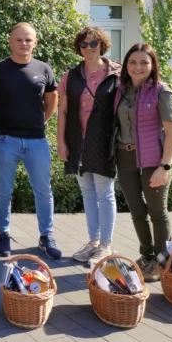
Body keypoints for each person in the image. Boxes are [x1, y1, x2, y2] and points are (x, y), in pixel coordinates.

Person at [0, 22, 61, 260]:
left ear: (35, 42)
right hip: (4, 139)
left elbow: (52, 102)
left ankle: (46, 236)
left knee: (43, 191)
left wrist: (40, 122)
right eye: (19, 39)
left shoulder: (44, 69)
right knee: (3, 191)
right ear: (10, 41)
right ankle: (3, 234)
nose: (24, 44)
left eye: (28, 40)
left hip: (36, 141)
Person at [56, 27, 121, 265]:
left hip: (104, 141)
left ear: (102, 45)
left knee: (105, 194)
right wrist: (61, 141)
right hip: (77, 140)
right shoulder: (71, 76)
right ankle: (93, 242)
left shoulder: (116, 73)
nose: (89, 49)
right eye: (84, 45)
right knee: (87, 192)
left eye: (94, 44)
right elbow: (62, 111)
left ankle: (106, 245)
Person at [114, 43, 172, 282]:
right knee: (137, 211)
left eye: (144, 62)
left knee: (157, 212)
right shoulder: (121, 90)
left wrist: (165, 166)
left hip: (154, 160)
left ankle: (162, 262)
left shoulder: (162, 91)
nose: (138, 67)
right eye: (133, 62)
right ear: (126, 65)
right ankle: (146, 256)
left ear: (152, 65)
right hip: (125, 156)